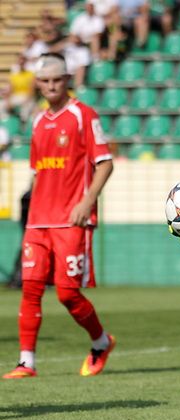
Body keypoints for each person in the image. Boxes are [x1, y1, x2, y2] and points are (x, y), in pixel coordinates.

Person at [3, 53, 115, 379]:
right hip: (39, 220)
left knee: (66, 292)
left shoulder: (83, 115)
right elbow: (38, 170)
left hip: (71, 219)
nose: (51, 86)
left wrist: (87, 201)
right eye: (45, 81)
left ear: (67, 80)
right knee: (31, 288)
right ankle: (27, 361)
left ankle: (100, 341)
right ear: (38, 84)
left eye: (57, 80)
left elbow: (105, 163)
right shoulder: (38, 120)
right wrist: (30, 202)